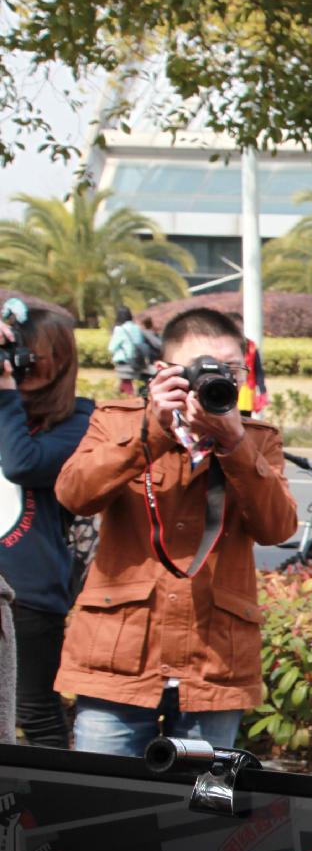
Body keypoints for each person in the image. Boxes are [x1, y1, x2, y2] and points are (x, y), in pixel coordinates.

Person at [55, 307, 297, 755]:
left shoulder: (258, 439)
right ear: (163, 372)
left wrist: (235, 445)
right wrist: (153, 431)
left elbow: (277, 528)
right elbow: (74, 495)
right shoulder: (119, 420)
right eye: (201, 369)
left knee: (198, 799)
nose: (215, 379)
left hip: (214, 666)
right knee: (98, 794)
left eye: (230, 370)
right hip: (117, 660)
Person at [0, 301, 94, 747]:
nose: (21, 362)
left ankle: (49, 791)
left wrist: (6, 394)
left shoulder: (79, 420)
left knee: (34, 712)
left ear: (60, 358)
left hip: (30, 594)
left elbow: (23, 463)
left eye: (31, 353)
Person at [107, 306, 152, 397]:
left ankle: (128, 401)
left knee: (126, 387)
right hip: (138, 360)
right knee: (139, 386)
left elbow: (111, 347)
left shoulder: (120, 329)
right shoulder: (137, 328)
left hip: (124, 361)